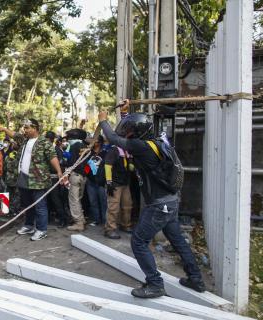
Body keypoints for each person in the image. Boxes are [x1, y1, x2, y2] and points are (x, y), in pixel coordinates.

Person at [98, 103, 205, 299]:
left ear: (136, 133)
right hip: (171, 201)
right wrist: (125, 112)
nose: (127, 134)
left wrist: (103, 119)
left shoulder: (141, 147)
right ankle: (196, 279)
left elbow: (114, 138)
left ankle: (155, 284)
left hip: (159, 204)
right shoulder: (156, 142)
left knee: (139, 241)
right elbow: (126, 131)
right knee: (178, 240)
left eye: (130, 132)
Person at [0, 119, 65, 241]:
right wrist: (3, 129)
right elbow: (14, 134)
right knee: (27, 205)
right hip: (23, 178)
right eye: (25, 128)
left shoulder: (44, 142)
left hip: (38, 180)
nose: (25, 130)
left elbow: (53, 157)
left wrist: (59, 172)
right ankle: (29, 226)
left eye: (27, 128)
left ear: (34, 128)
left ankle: (41, 230)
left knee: (40, 206)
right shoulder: (25, 140)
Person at [103, 142, 134, 239]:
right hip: (115, 184)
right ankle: (110, 229)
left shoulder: (127, 152)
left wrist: (132, 165)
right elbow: (107, 166)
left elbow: (130, 168)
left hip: (125, 183)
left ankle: (125, 225)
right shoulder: (114, 151)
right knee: (113, 207)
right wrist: (109, 183)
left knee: (127, 205)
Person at [65, 129, 89, 232]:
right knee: (79, 199)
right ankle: (82, 219)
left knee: (74, 200)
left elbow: (67, 160)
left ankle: (78, 223)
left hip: (75, 175)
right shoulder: (85, 146)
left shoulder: (72, 146)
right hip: (83, 176)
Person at [45, 131, 69, 227]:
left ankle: (63, 219)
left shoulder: (55, 150)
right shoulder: (49, 148)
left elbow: (60, 164)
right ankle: (49, 217)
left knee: (56, 199)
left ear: (49, 139)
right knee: (48, 199)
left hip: (54, 178)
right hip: (47, 178)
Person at [85, 135, 107, 227]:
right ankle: (96, 219)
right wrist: (87, 173)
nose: (93, 142)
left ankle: (105, 221)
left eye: (95, 140)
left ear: (100, 142)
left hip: (102, 182)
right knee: (93, 202)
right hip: (90, 182)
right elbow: (86, 166)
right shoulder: (89, 153)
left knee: (104, 202)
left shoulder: (105, 153)